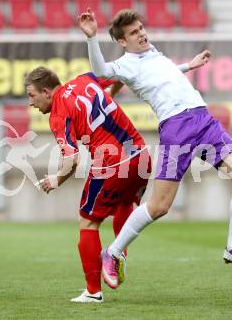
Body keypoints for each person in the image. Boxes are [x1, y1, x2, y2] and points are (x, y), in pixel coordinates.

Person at [78, 8, 232, 289]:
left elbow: (164, 74)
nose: (142, 34)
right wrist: (91, 38)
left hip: (203, 120)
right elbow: (102, 71)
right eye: (134, 33)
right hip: (176, 130)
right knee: (160, 206)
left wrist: (190, 65)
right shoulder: (125, 65)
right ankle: (112, 253)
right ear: (122, 42)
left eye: (141, 28)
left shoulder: (152, 52)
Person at [25, 67, 152, 303]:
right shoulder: (85, 79)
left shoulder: (58, 114)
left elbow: (72, 159)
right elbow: (119, 74)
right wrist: (110, 94)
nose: (30, 102)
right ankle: (119, 252)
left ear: (46, 91)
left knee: (88, 221)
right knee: (125, 202)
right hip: (141, 154)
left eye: (31, 95)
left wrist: (56, 179)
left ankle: (93, 292)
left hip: (112, 162)